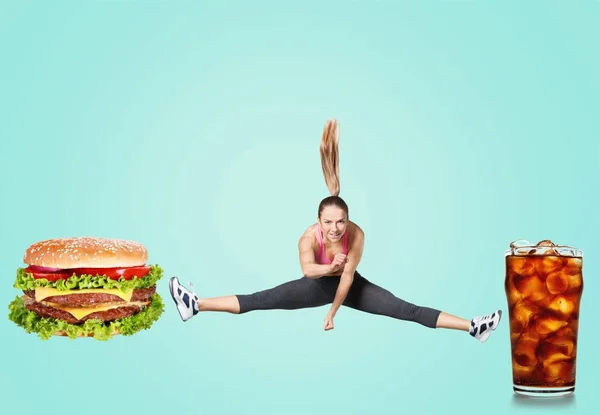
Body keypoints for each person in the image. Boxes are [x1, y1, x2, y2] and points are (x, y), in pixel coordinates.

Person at [169, 118, 501, 343]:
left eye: (339, 221)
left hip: (350, 287)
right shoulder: (306, 237)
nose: (334, 228)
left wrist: (332, 312)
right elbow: (307, 270)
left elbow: (346, 280)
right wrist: (329, 267)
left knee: (406, 310)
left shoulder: (355, 235)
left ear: (347, 219)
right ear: (318, 222)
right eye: (327, 222)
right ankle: (195, 304)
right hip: (314, 285)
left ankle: (473, 327)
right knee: (260, 299)